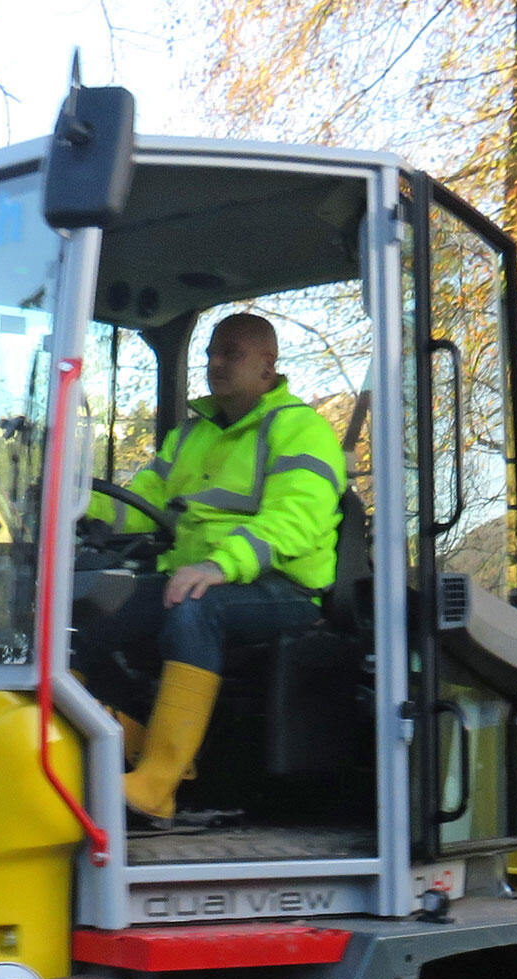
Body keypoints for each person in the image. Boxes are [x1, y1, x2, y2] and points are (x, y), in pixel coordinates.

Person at [81, 311, 347, 823]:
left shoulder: (301, 430)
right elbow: (140, 506)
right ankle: (98, 746)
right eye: (210, 354)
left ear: (267, 364)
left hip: (284, 588)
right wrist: (72, 506)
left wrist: (222, 564)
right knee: (85, 610)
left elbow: (298, 519)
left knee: (196, 608)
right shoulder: (189, 436)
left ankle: (159, 782)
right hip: (197, 576)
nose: (216, 363)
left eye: (231, 353)